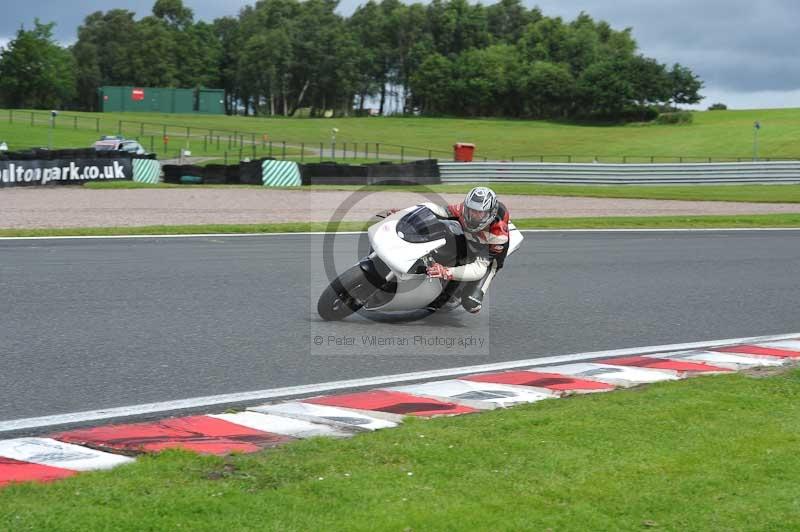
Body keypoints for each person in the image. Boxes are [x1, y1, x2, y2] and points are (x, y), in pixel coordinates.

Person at [422, 186, 510, 313]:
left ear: (490, 213)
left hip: (489, 256)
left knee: (472, 304)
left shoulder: (498, 234)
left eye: (481, 213)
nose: (475, 216)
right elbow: (440, 210)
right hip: (472, 237)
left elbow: (479, 268)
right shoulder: (462, 209)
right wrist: (408, 213)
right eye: (472, 210)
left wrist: (446, 272)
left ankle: (459, 290)